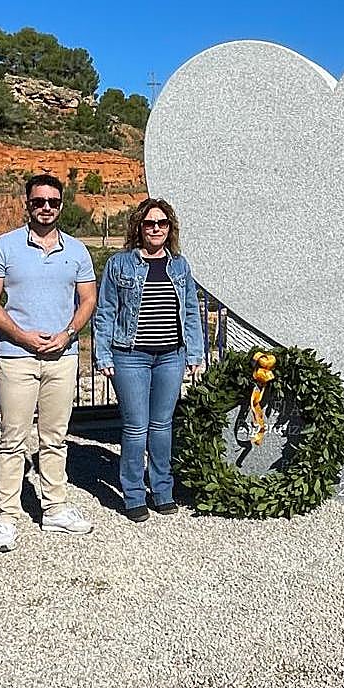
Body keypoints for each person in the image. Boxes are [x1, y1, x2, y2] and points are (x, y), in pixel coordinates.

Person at [0, 174, 98, 553]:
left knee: (55, 437)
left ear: (62, 205)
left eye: (53, 201)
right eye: (38, 201)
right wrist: (22, 336)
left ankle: (55, 508)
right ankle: (6, 516)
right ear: (27, 203)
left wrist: (68, 333)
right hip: (17, 357)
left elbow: (88, 300)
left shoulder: (77, 250)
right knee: (12, 439)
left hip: (62, 358)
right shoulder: (4, 247)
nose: (46, 207)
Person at [92, 198, 205, 522]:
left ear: (170, 228)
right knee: (135, 427)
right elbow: (106, 312)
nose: (156, 228)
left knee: (162, 426)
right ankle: (133, 494)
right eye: (149, 223)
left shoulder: (179, 265)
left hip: (171, 355)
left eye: (162, 223)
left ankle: (163, 490)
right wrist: (103, 354)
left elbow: (190, 312)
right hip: (131, 357)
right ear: (138, 228)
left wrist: (195, 353)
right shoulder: (120, 264)